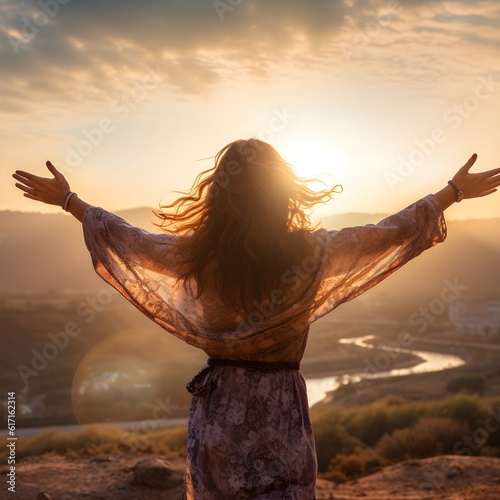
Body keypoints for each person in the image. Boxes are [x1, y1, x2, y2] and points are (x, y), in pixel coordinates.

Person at [12, 139, 500, 499]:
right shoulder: (313, 254)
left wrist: (70, 202)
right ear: (281, 190)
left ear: (218, 194)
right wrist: (452, 191)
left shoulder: (198, 258)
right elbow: (389, 233)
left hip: (218, 415)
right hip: (278, 414)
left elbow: (129, 240)